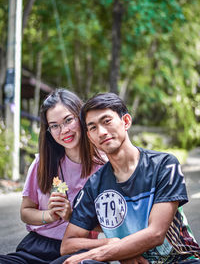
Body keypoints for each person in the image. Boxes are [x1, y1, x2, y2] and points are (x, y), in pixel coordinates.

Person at [51, 92, 200, 264]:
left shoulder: (164, 165)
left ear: (126, 121)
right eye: (92, 127)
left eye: (107, 121)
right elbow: (68, 244)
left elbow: (156, 234)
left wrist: (98, 254)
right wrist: (116, 246)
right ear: (90, 137)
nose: (101, 132)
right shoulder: (94, 185)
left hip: (180, 260)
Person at [0, 88, 104, 264]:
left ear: (81, 117)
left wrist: (73, 216)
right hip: (36, 247)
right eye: (54, 126)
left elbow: (112, 226)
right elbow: (26, 212)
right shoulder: (43, 162)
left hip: (79, 250)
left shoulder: (104, 166)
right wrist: (49, 215)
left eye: (68, 120)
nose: (63, 131)